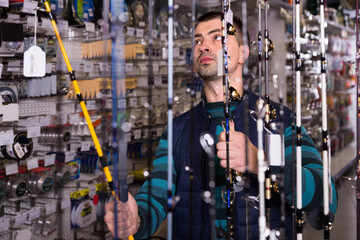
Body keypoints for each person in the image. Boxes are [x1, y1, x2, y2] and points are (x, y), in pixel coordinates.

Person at [104, 11, 338, 239]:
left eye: (218, 37)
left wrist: (262, 163)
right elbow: (157, 191)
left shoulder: (280, 120)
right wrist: (137, 219)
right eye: (198, 40)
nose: (204, 46)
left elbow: (326, 195)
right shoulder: (176, 130)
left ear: (242, 54)